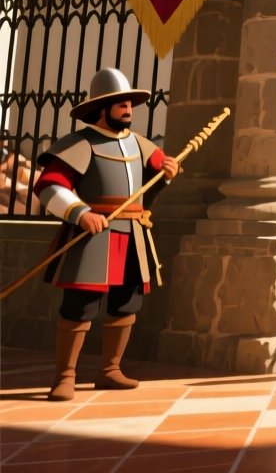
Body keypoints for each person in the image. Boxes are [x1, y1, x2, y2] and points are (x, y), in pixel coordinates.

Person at [30, 68, 179, 401]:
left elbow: (149, 187)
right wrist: (80, 213)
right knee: (80, 305)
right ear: (102, 108)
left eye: (129, 104)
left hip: (133, 236)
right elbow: (49, 186)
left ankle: (111, 370)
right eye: (121, 104)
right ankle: (64, 376)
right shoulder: (79, 144)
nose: (128, 109)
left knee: (127, 303)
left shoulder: (141, 145)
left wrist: (166, 174)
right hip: (94, 236)